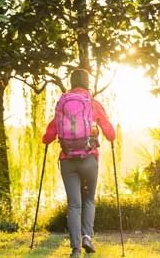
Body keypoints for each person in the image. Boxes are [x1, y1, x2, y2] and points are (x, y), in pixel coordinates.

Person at [42, 69, 116, 258]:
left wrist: (47, 139)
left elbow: (49, 134)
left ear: (71, 82)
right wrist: (109, 136)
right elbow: (110, 133)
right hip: (89, 158)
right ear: (87, 83)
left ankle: (75, 248)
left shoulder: (63, 104)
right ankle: (87, 238)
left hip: (67, 160)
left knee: (74, 204)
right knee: (89, 200)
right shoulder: (93, 104)